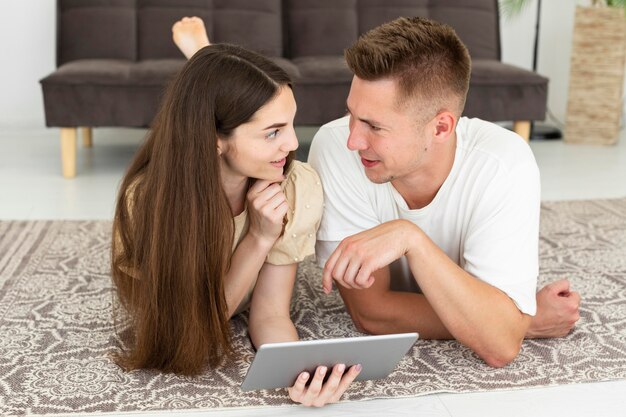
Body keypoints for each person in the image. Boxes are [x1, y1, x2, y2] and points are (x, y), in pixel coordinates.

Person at [110, 20, 360, 407]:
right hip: (185, 308)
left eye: (291, 124)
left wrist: (298, 374)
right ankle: (202, 55)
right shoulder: (144, 205)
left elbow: (270, 314)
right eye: (273, 132)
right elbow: (195, 334)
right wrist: (259, 238)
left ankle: (204, 56)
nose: (294, 143)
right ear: (214, 142)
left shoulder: (295, 186)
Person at [307, 16, 581, 368]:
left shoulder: (502, 163)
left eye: (374, 126)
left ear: (440, 127)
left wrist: (410, 238)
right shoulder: (335, 150)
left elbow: (498, 347)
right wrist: (520, 322)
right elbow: (372, 315)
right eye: (352, 114)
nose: (354, 139)